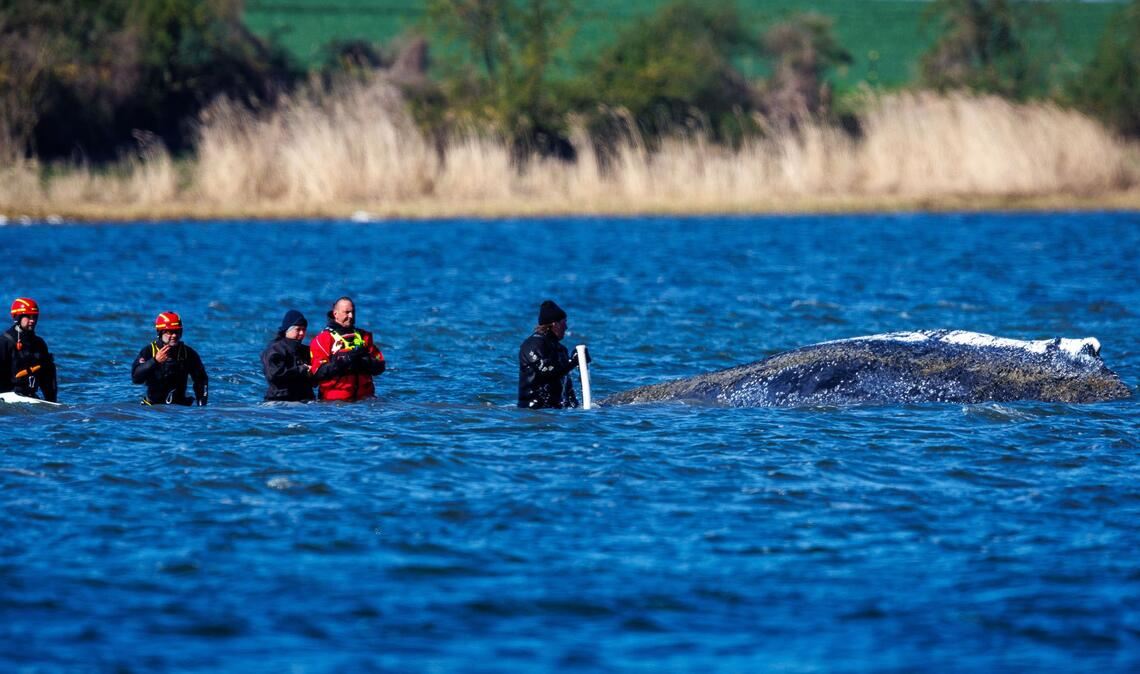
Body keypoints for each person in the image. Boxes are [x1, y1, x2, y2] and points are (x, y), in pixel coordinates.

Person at [309, 297, 386, 402]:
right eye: (347, 312)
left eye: (353, 312)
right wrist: (344, 360)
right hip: (334, 403)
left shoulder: (364, 336)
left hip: (365, 401)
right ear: (335, 314)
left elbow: (380, 366)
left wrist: (364, 360)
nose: (351, 316)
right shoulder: (322, 339)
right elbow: (318, 373)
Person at [518, 299, 588, 409]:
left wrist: (577, 409)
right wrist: (573, 362)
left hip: (557, 411)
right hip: (533, 410)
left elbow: (567, 388)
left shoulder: (561, 349)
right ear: (555, 324)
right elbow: (547, 372)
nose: (566, 327)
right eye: (564, 322)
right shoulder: (531, 345)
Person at [131, 311, 208, 406]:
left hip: (179, 408)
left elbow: (201, 380)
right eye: (170, 332)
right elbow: (136, 379)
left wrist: (201, 406)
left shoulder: (188, 353)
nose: (174, 336)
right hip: (153, 408)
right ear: (160, 332)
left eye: (177, 332)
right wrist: (155, 361)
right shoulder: (149, 351)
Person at [1, 297, 58, 402]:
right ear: (18, 317)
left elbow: (48, 377)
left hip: (30, 397)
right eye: (28, 316)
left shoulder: (39, 344)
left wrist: (52, 402)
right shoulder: (5, 342)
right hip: (7, 396)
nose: (32, 320)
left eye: (35, 317)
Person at [261, 309, 315, 402]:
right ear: (286, 330)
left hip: (305, 402)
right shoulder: (274, 350)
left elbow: (316, 380)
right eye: (298, 329)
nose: (302, 333)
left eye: (304, 329)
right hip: (280, 401)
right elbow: (275, 375)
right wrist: (301, 369)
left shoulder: (306, 350)